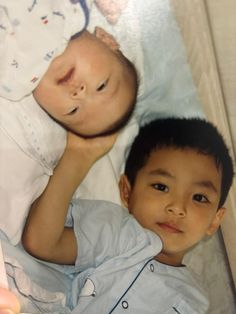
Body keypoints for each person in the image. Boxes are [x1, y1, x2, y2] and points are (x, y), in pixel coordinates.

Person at [22, 117, 234, 313]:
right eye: (161, 186)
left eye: (199, 197)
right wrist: (78, 157)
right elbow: (42, 243)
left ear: (215, 220)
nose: (178, 207)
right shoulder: (117, 232)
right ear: (127, 191)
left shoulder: (194, 300)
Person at [0, 1, 138, 138]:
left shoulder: (13, 84)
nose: (79, 94)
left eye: (73, 110)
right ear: (106, 40)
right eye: (101, 86)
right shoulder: (73, 11)